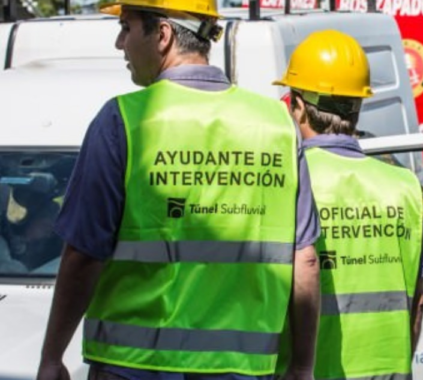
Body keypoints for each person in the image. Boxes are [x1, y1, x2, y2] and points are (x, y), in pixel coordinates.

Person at [35, 0, 320, 379]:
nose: (120, 43)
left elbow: (83, 255)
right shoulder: (277, 126)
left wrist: (52, 356)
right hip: (242, 369)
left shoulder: (124, 120)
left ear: (163, 34)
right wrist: (301, 365)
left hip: (134, 367)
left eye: (126, 27)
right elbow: (305, 260)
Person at [273, 30, 423, 380]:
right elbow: (418, 301)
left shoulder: (288, 182)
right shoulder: (405, 186)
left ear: (298, 105)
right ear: (358, 106)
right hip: (390, 371)